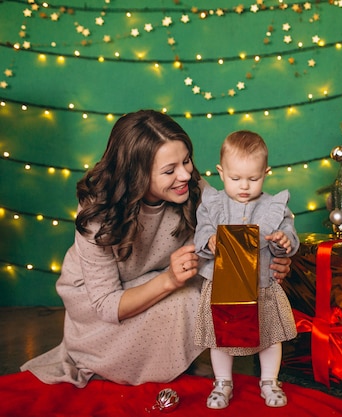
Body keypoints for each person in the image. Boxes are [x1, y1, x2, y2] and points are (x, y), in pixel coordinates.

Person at [20, 110, 291, 388]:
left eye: (186, 160)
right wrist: (169, 280)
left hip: (167, 279)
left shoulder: (194, 189)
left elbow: (239, 227)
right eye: (169, 170)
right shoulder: (98, 212)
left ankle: (173, 361)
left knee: (209, 290)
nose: (186, 174)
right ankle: (119, 361)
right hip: (104, 308)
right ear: (136, 174)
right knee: (189, 300)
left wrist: (270, 257)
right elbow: (106, 305)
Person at [193, 130, 299, 409]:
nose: (244, 186)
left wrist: (282, 242)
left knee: (270, 335)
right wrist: (210, 241)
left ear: (265, 173)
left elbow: (288, 240)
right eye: (235, 178)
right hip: (220, 285)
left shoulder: (274, 206)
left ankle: (269, 381)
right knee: (220, 338)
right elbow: (200, 235)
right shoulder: (213, 205)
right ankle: (223, 382)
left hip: (262, 284)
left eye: (253, 179)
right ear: (220, 172)